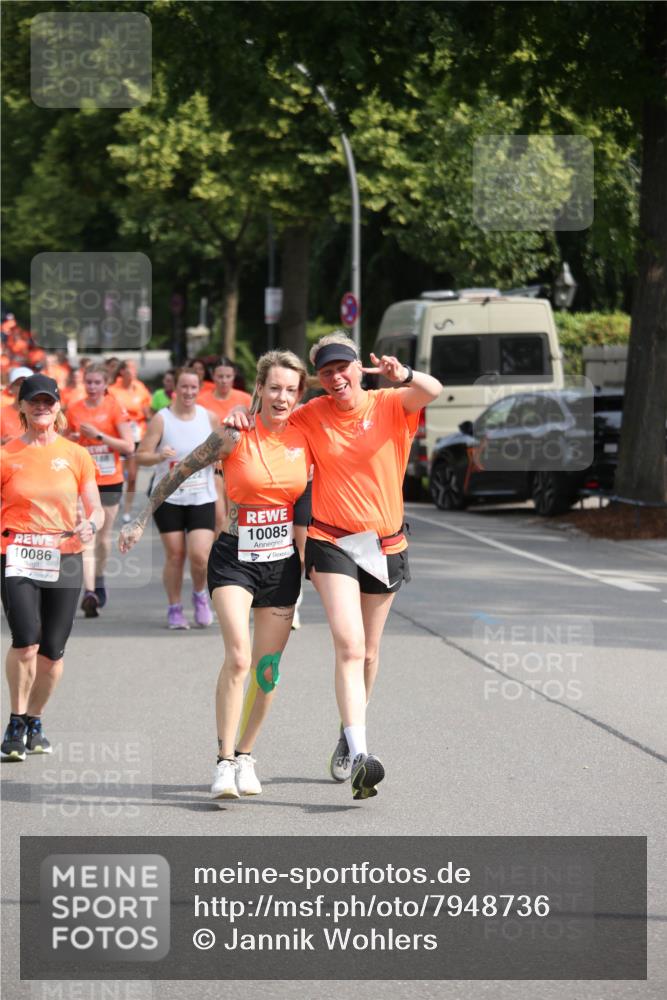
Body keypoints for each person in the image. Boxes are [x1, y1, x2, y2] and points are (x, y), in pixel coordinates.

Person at [226, 332, 442, 799]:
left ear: (357, 368)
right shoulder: (310, 414)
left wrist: (400, 373)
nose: (335, 378)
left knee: (368, 654)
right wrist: (242, 411)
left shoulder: (390, 402)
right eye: (325, 372)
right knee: (348, 643)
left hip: (386, 544)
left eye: (342, 367)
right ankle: (363, 755)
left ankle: (348, 733)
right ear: (318, 380)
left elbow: (433, 390)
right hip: (332, 542)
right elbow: (271, 414)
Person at [120, 350, 309, 800]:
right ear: (259, 388)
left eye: (291, 390)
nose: (282, 397)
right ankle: (224, 762)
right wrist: (141, 517)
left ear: (299, 394)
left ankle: (246, 755)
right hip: (234, 559)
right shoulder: (233, 434)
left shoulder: (308, 435)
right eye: (275, 387)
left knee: (268, 670)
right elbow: (179, 471)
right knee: (239, 657)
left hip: (282, 564)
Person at [1, 374, 102, 761]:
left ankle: (35, 719)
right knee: (25, 640)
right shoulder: (7, 454)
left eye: (49, 401)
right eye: (35, 402)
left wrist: (91, 523)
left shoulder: (76, 455)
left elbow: (93, 507)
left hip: (64, 553)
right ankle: (15, 718)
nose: (42, 407)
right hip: (16, 554)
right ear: (22, 407)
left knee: (52, 651)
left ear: (58, 406)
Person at [135, 367, 219, 629]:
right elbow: (142, 455)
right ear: (175, 389)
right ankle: (174, 607)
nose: (189, 392)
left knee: (200, 555)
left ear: (200, 389)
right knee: (175, 555)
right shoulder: (162, 419)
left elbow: (223, 453)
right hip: (168, 498)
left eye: (194, 387)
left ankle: (199, 595)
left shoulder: (210, 418)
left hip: (202, 496)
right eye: (184, 387)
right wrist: (159, 456)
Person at [66, 364, 134, 617]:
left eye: (97, 383)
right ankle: (89, 592)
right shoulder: (74, 409)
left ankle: (99, 578)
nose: (92, 387)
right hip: (84, 480)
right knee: (88, 536)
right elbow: (64, 442)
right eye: (89, 382)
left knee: (103, 538)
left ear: (105, 384)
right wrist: (73, 440)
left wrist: (99, 436)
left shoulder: (114, 408)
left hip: (110, 481)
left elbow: (128, 446)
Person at [199, 358, 253, 534]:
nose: (223, 380)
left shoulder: (245, 399)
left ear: (233, 376)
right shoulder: (201, 400)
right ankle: (215, 557)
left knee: (238, 516)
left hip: (240, 466)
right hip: (214, 467)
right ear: (213, 376)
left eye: (228, 376)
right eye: (220, 376)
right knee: (219, 517)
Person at [109, 360, 152, 523]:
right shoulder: (113, 390)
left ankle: (127, 509)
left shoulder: (140, 387)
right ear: (122, 372)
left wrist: (145, 414)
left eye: (135, 368)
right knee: (119, 474)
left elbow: (147, 408)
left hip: (137, 435)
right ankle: (118, 495)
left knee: (133, 476)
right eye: (131, 368)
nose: (134, 371)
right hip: (119, 436)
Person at [0, 367, 32, 444]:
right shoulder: (1, 414)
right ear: (11, 388)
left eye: (27, 384)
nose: (23, 387)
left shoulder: (42, 413)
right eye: (19, 384)